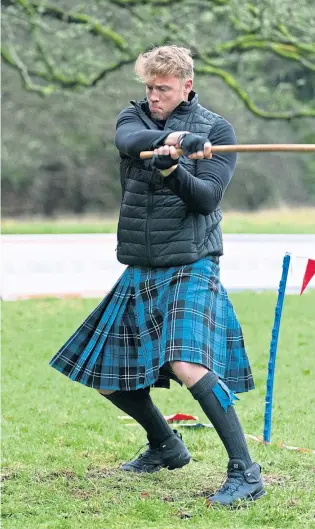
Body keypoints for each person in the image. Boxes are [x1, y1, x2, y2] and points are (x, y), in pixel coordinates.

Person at [49, 45, 265, 507]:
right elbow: (128, 142)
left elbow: (205, 199)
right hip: (141, 266)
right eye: (148, 87)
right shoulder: (134, 119)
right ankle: (166, 446)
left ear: (186, 85)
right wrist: (172, 142)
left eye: (162, 88)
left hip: (192, 263)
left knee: (189, 366)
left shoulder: (219, 130)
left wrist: (173, 167)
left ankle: (246, 472)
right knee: (106, 375)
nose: (153, 96)